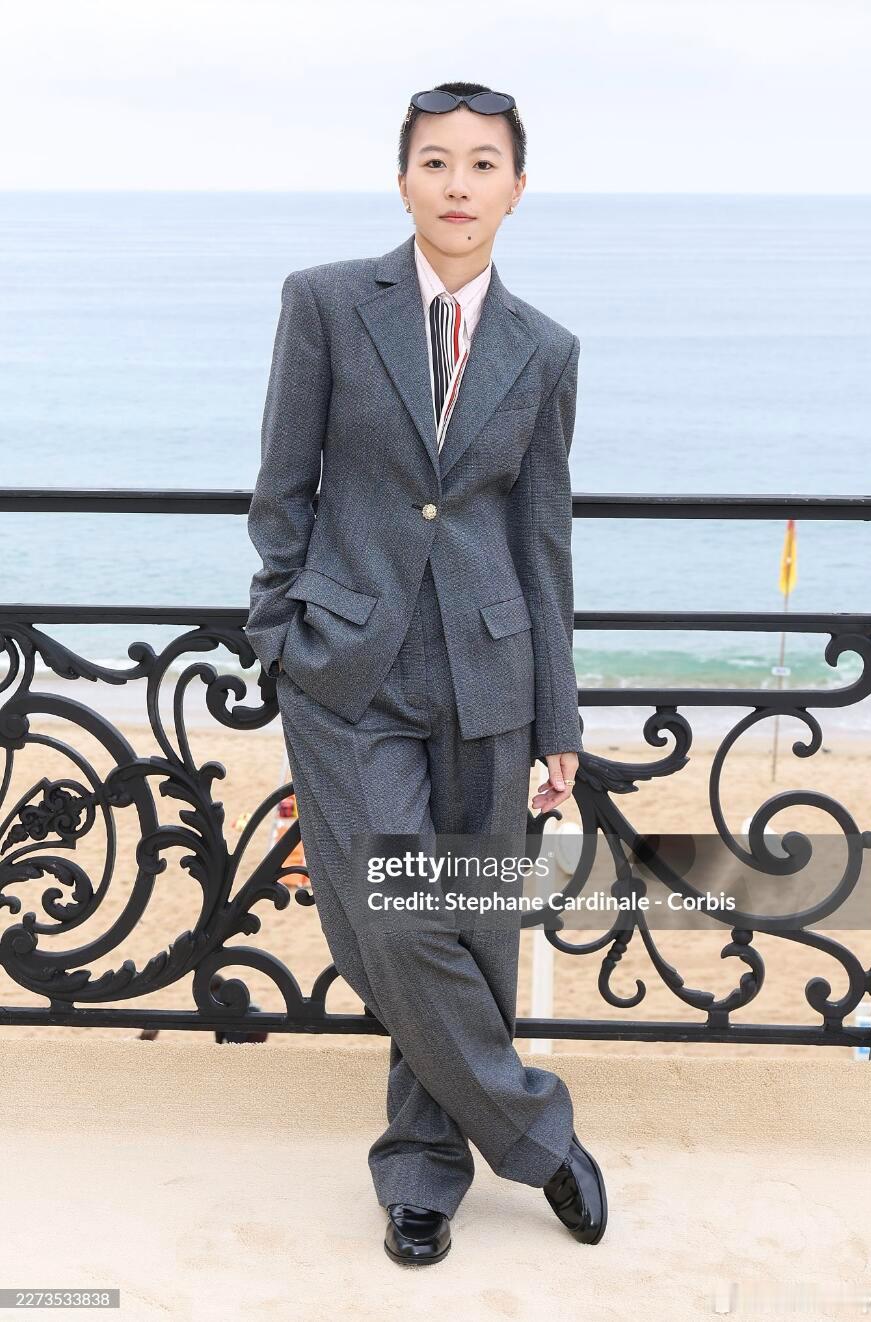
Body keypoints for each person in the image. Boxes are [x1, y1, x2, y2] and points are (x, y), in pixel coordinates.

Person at [244, 81, 608, 1266]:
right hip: (349, 667)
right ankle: (540, 1133)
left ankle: (421, 1171)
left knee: (470, 926)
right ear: (403, 179)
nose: (459, 185)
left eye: (483, 164)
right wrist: (280, 629)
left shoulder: (544, 349)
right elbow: (282, 486)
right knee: (397, 918)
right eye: (437, 161)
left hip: (489, 671)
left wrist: (558, 713)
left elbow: (542, 540)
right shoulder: (328, 303)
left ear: (517, 187)